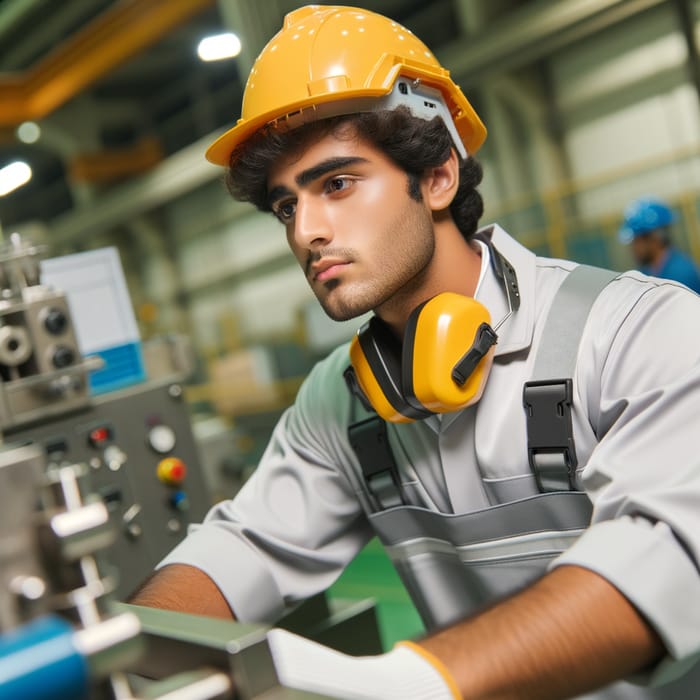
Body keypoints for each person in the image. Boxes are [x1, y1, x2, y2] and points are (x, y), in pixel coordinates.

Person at [131, 6, 700, 699]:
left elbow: (671, 548)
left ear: (437, 178)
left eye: (336, 184)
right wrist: (131, 654)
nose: (306, 231)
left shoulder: (637, 330)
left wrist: (410, 682)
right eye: (286, 207)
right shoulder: (336, 401)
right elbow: (242, 548)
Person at [618, 197, 700, 293]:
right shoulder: (646, 272)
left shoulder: (682, 274)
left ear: (655, 237)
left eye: (636, 241)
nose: (633, 248)